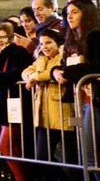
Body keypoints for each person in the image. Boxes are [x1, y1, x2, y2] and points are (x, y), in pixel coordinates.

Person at [51, 0, 100, 180]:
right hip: (83, 101)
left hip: (99, 100)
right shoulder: (74, 39)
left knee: (94, 154)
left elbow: (99, 67)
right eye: (67, 13)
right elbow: (64, 65)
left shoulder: (98, 35)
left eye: (75, 12)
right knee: (89, 154)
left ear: (87, 13)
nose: (69, 16)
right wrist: (55, 71)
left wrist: (66, 72)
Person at [0, 21, 33, 181]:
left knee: (6, 146)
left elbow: (15, 74)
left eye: (3, 37)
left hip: (17, 105)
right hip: (4, 107)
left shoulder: (18, 52)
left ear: (10, 37)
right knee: (12, 148)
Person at [22, 30, 75, 179]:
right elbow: (26, 71)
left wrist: (37, 77)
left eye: (49, 42)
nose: (45, 47)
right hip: (43, 116)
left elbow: (58, 73)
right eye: (42, 43)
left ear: (58, 43)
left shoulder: (64, 58)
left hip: (63, 113)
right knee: (42, 158)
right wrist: (31, 76)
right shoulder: (40, 59)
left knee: (72, 160)